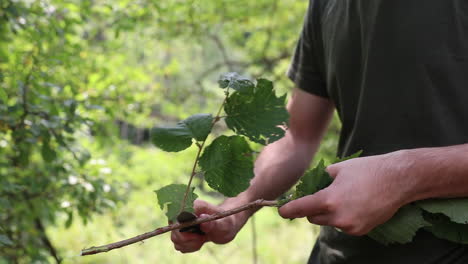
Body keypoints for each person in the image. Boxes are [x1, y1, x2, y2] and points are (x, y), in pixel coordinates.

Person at [171, 0, 468, 263]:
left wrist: (403, 174)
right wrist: (235, 208)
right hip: (340, 252)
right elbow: (296, 136)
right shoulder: (326, 5)